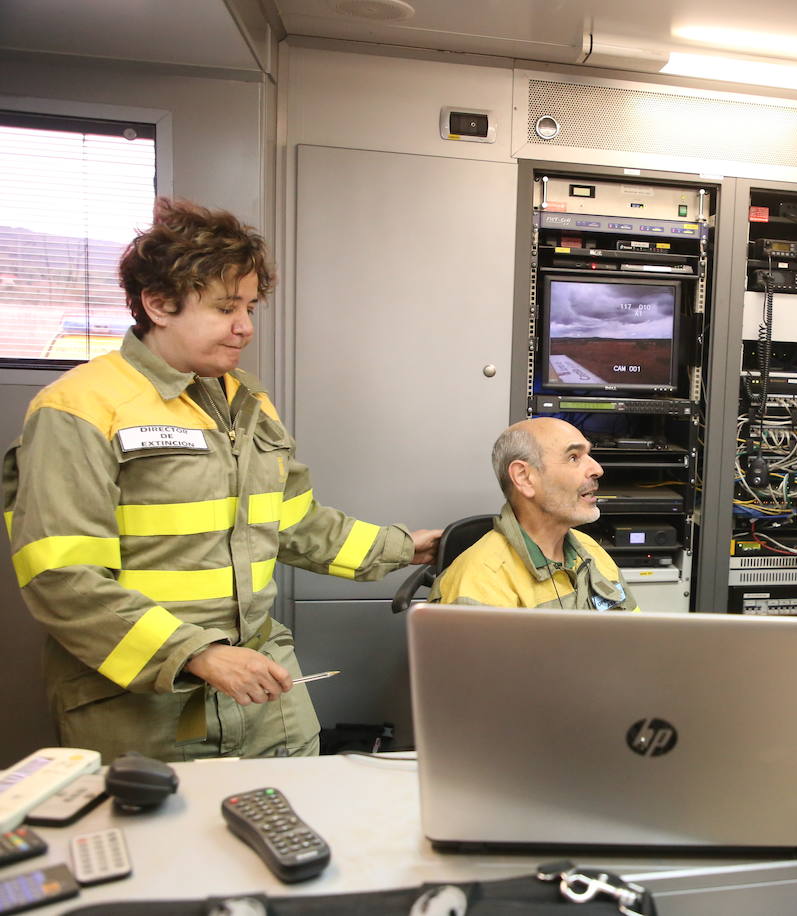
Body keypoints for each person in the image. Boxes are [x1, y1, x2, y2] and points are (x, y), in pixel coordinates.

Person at [2, 198, 441, 763]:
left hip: (263, 689)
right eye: (226, 307)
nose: (246, 328)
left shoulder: (247, 402)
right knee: (165, 847)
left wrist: (405, 548)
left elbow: (292, 522)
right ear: (159, 303)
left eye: (251, 307)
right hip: (142, 703)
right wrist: (197, 653)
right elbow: (62, 577)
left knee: (297, 832)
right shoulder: (79, 408)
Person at [430, 417, 638, 611]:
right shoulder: (479, 584)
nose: (597, 469)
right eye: (573, 457)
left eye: (588, 456)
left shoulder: (593, 552)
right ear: (524, 478)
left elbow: (637, 638)